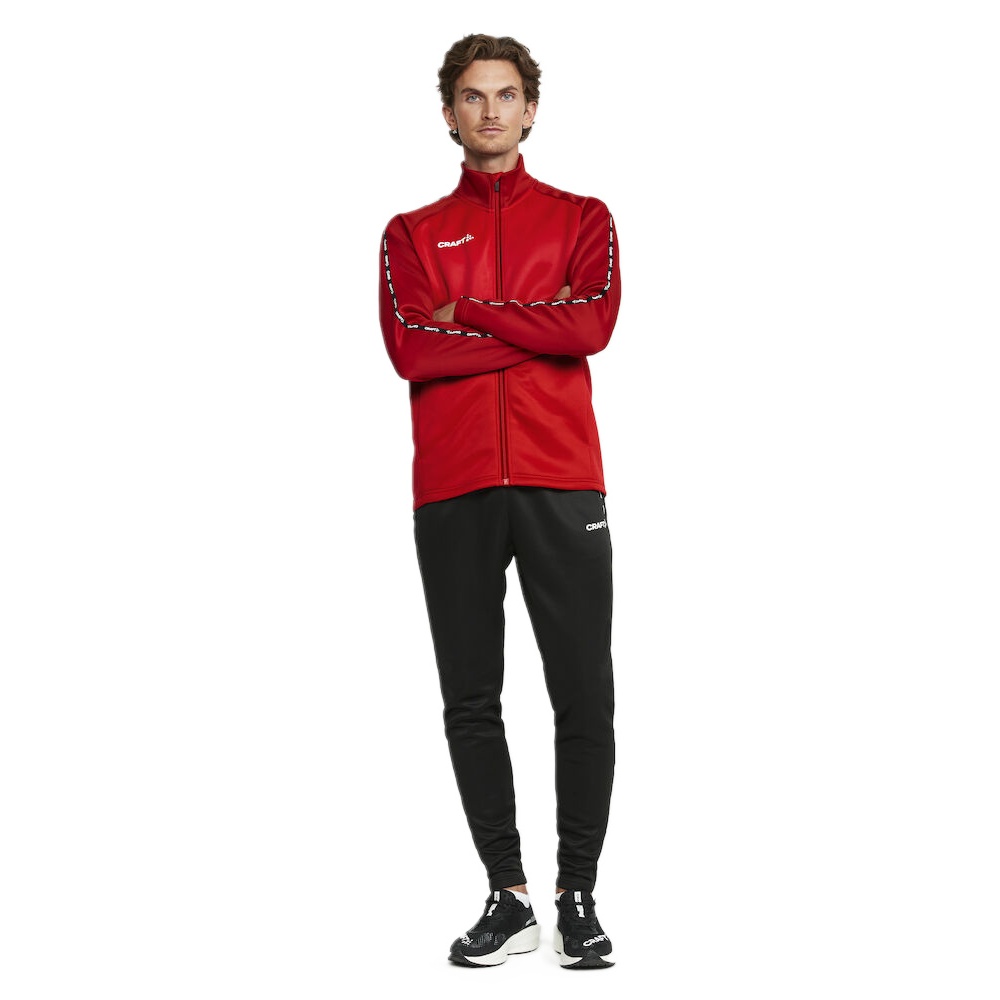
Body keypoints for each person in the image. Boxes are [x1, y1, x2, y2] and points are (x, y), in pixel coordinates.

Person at [378, 33, 621, 970]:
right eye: (473, 97)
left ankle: (578, 895)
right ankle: (509, 896)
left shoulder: (584, 218)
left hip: (563, 479)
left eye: (506, 94)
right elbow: (412, 348)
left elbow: (592, 323)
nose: (490, 111)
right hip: (456, 485)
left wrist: (471, 311)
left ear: (531, 108)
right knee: (471, 697)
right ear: (449, 113)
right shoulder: (409, 235)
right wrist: (538, 323)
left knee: (583, 692)